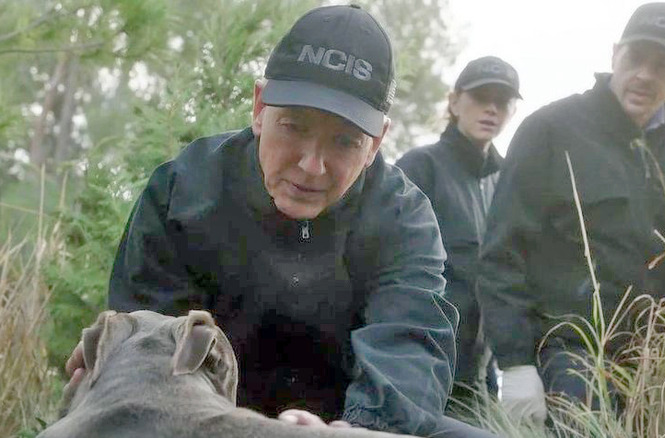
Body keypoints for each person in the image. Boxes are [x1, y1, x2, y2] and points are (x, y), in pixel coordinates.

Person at [63, 5, 497, 438]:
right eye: (293, 126)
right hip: (205, 415)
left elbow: (409, 345)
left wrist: (353, 428)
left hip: (347, 418)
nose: (312, 165)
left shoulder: (405, 218)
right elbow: (149, 343)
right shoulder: (183, 190)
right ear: (259, 107)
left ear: (376, 143)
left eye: (345, 141)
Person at [478, 2, 665, 423]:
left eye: (662, 65)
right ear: (614, 53)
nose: (644, 74)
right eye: (635, 58)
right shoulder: (550, 129)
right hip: (569, 356)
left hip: (655, 366)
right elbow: (501, 252)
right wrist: (515, 364)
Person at [396, 56, 520, 405]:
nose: (491, 109)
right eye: (481, 97)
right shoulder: (420, 167)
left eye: (503, 101)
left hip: (481, 379)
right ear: (454, 102)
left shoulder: (505, 181)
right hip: (422, 371)